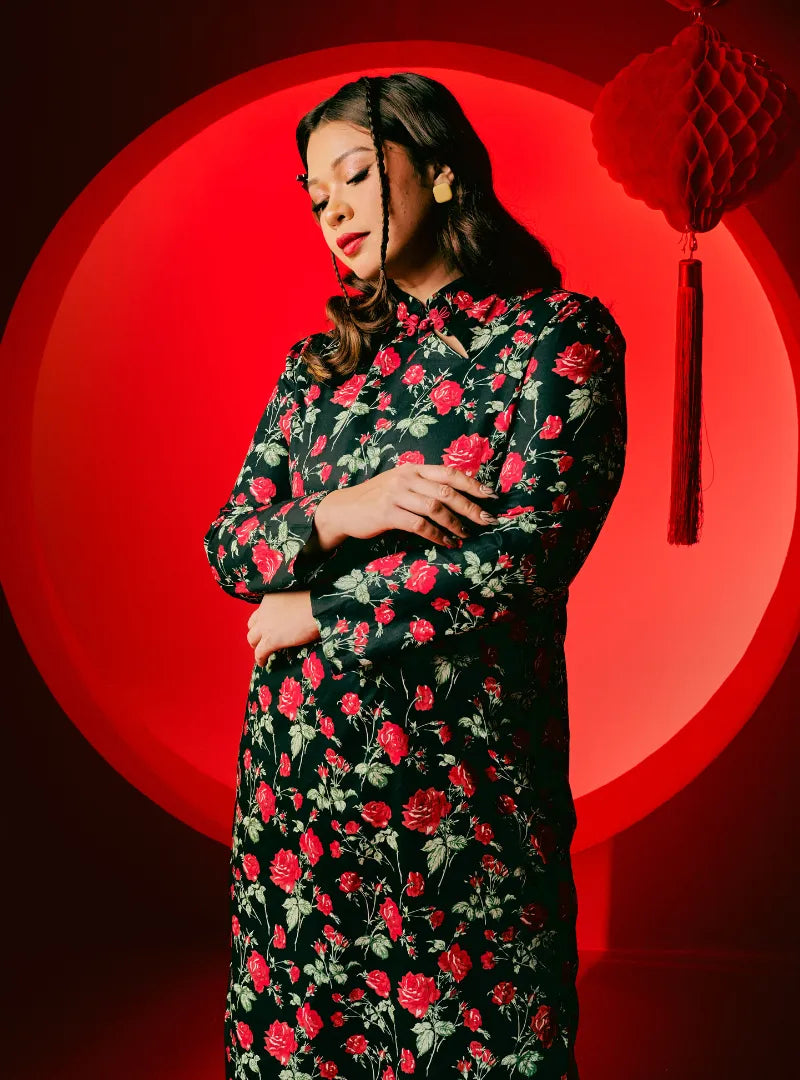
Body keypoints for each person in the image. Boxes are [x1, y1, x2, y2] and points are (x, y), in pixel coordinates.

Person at [203, 71, 627, 1080]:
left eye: (355, 175)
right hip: (297, 804)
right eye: (316, 196)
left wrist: (323, 610)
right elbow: (229, 546)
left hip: (463, 803)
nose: (334, 209)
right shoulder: (317, 369)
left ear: (437, 174)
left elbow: (523, 557)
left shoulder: (552, 340)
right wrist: (335, 511)